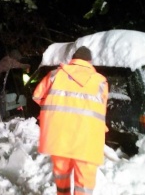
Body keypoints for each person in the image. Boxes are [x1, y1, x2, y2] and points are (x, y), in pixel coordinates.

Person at [32, 46, 109, 195]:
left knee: (61, 174)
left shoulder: (54, 75)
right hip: (88, 138)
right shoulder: (101, 82)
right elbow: (100, 109)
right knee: (85, 181)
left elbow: (37, 96)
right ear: (89, 61)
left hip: (59, 135)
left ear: (73, 59)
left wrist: (54, 108)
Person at [0, 49, 30, 127]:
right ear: (15, 56)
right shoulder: (9, 60)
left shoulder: (5, 59)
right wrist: (27, 66)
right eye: (17, 58)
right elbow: (19, 65)